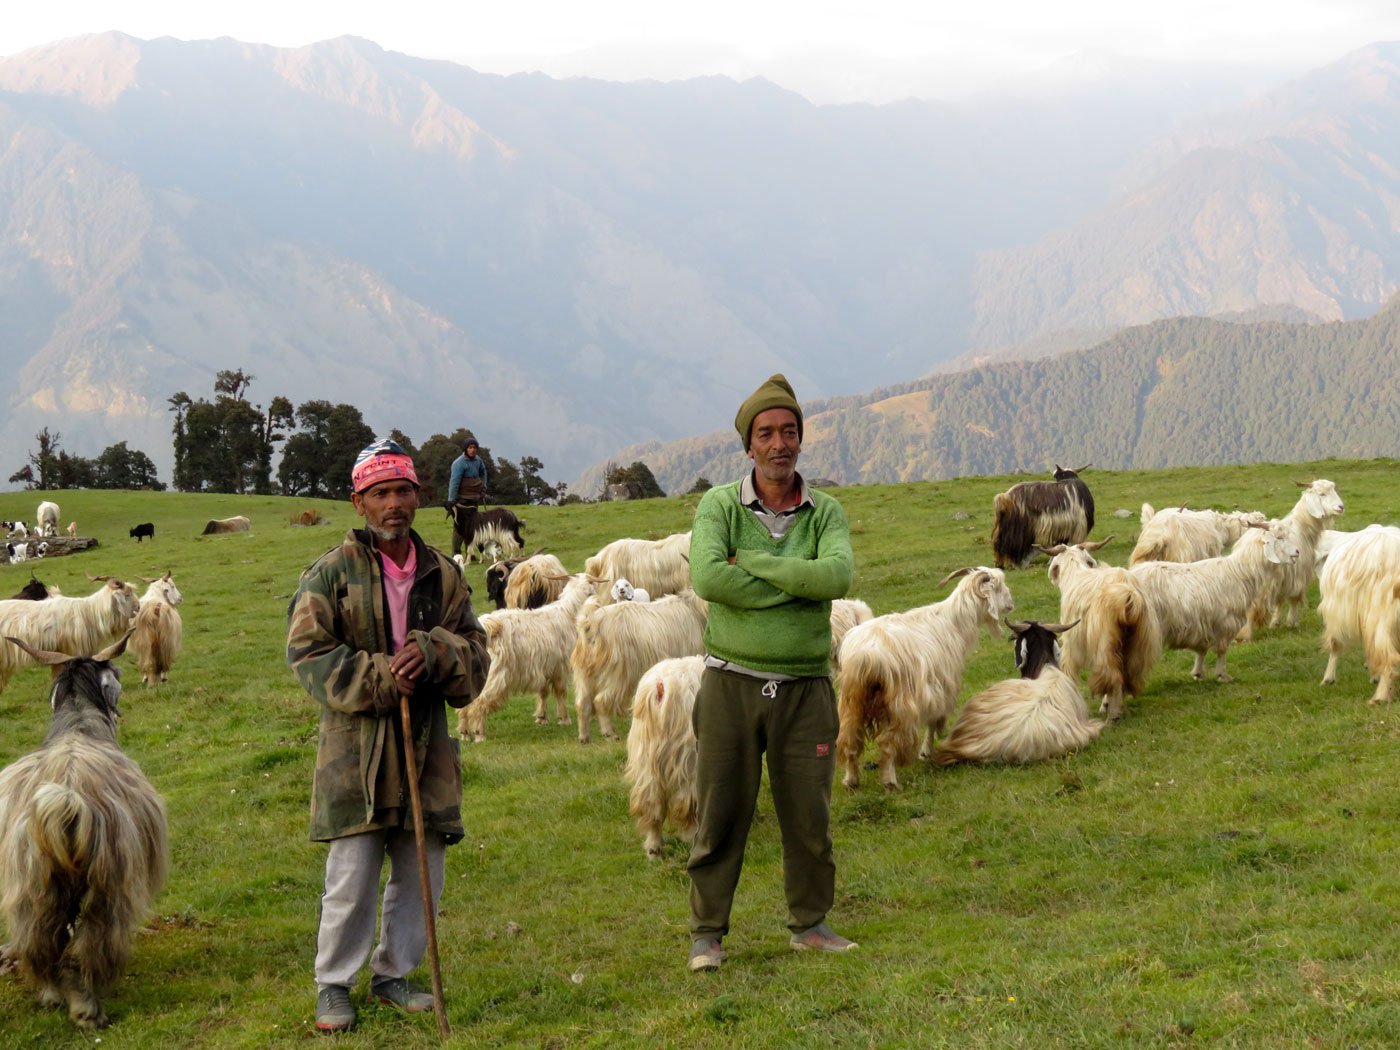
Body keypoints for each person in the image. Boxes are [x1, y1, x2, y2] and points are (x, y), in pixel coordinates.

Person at [287, 438, 489, 1033]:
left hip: (428, 743)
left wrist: (434, 653)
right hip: (356, 749)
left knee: (420, 866)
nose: (393, 503)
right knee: (352, 871)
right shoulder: (330, 574)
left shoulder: (444, 575)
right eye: (380, 493)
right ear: (360, 503)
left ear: (418, 497)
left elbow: (476, 656)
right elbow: (307, 654)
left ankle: (394, 974)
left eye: (402, 490)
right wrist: (380, 674)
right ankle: (334, 984)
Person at [685, 373, 858, 972]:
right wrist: (796, 585)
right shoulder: (718, 506)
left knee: (809, 815)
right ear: (748, 445)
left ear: (801, 440)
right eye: (766, 433)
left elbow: (835, 579)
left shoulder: (825, 511)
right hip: (729, 683)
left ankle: (809, 924)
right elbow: (708, 579)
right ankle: (707, 933)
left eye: (789, 430)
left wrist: (753, 565)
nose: (778, 442)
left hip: (806, 687)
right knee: (721, 811)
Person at [446, 436, 489, 556]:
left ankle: (470, 554)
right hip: (461, 500)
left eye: (475, 447)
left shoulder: (478, 460)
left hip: (474, 498)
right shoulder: (458, 463)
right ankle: (456, 554)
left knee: (472, 527)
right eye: (470, 447)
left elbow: (483, 472)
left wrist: (483, 487)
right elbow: (454, 482)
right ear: (465, 449)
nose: (473, 450)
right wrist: (451, 500)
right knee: (459, 527)